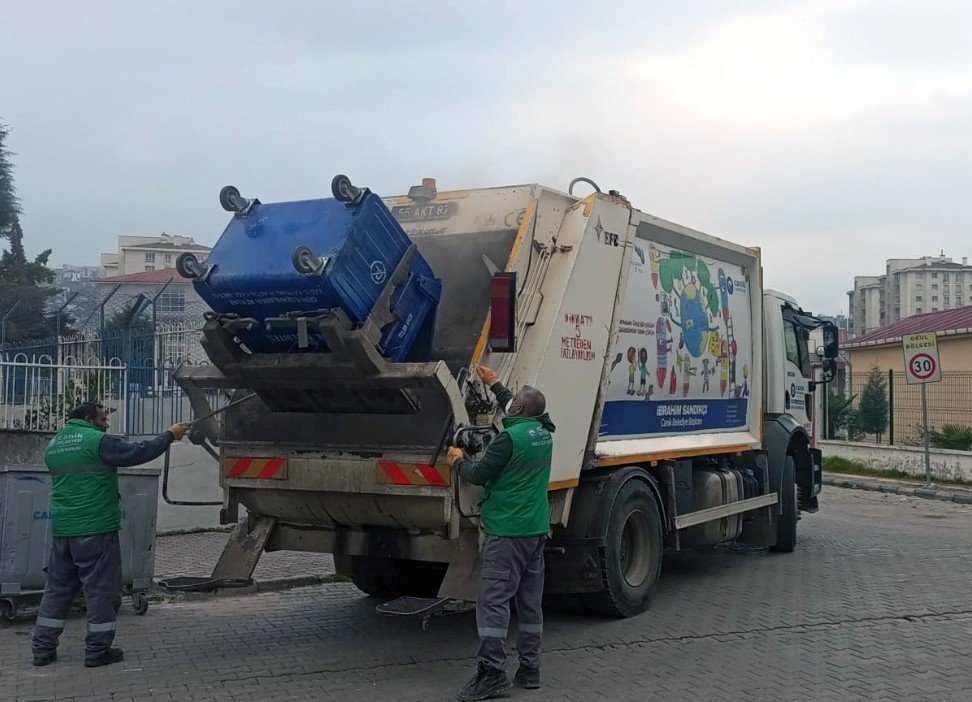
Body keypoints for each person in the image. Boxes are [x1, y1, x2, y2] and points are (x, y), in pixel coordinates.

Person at [31, 401, 188, 668]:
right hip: (95, 529)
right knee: (101, 591)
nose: (107, 424)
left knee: (57, 590)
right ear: (90, 418)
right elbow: (139, 452)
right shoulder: (97, 441)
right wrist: (169, 435)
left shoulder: (54, 445)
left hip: (63, 531)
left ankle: (42, 650)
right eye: (103, 419)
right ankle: (97, 651)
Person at [447, 365, 555, 701]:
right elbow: (521, 410)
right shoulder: (543, 432)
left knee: (493, 603)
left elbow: (479, 474)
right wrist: (496, 385)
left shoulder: (507, 440)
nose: (512, 401)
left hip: (506, 533)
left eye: (515, 399)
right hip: (535, 531)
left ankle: (492, 672)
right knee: (529, 603)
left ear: (520, 410)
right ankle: (530, 668)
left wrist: (456, 460)